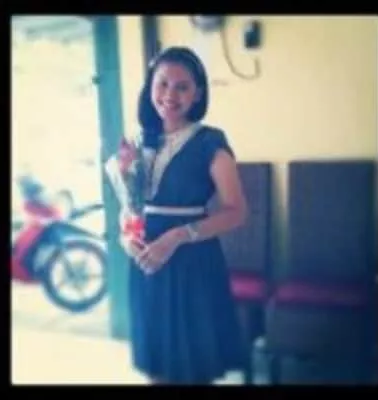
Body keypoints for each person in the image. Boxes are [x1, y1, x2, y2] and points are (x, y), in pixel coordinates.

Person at [120, 46, 248, 385]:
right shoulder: (138, 142)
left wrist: (177, 236)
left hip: (193, 266)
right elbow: (129, 206)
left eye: (182, 86)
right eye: (162, 83)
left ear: (198, 93)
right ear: (150, 86)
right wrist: (126, 235)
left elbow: (236, 212)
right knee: (157, 367)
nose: (170, 95)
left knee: (192, 368)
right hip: (147, 265)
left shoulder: (210, 142)